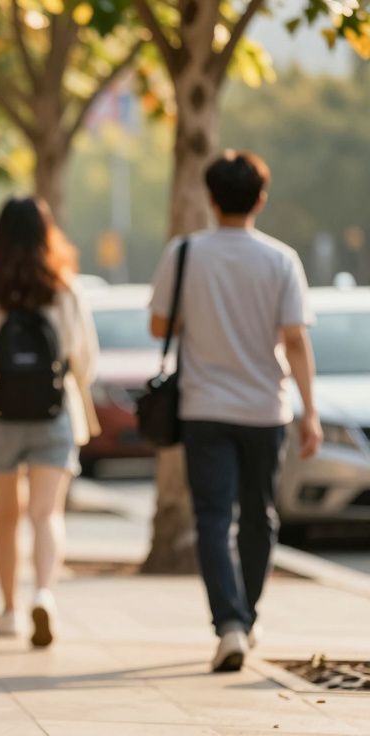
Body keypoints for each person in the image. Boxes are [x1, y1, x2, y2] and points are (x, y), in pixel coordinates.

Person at [148, 150, 321, 672]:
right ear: (260, 200)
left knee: (213, 516)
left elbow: (160, 326)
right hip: (266, 409)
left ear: (211, 197)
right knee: (259, 516)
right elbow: (295, 341)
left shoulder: (184, 253)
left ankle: (228, 624)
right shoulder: (281, 259)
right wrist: (309, 411)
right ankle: (246, 618)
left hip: (204, 407)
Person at [0, 197, 100, 650]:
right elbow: (83, 357)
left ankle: (9, 611)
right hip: (53, 413)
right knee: (46, 513)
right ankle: (44, 593)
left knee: (6, 516)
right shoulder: (64, 288)